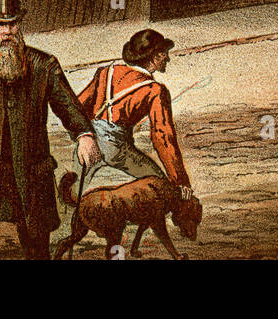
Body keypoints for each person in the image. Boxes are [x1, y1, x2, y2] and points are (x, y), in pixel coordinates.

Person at [0, 0, 101, 260]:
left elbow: (67, 105)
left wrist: (84, 135)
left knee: (37, 252)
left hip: (30, 175)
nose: (6, 32)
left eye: (12, 24)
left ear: (20, 25)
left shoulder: (44, 65)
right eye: (0, 25)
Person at [77, 29, 192, 195]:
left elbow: (77, 106)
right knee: (159, 187)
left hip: (90, 142)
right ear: (154, 57)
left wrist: (84, 137)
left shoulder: (106, 72)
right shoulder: (155, 91)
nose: (167, 58)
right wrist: (179, 182)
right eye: (164, 53)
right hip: (115, 149)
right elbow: (163, 137)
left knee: (71, 190)